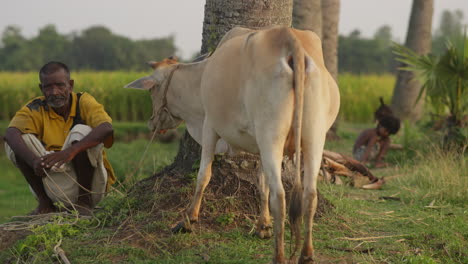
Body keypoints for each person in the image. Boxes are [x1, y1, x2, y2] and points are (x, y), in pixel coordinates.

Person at [4, 61, 116, 215]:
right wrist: (33, 161)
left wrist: (70, 151)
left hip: (91, 187)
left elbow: (106, 128)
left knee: (81, 131)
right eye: (48, 87)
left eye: (60, 85)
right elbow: (10, 133)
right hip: (55, 185)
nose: (54, 92)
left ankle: (84, 203)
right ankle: (45, 203)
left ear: (70, 85)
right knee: (18, 141)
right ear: (41, 88)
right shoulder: (36, 107)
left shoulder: (83, 101)